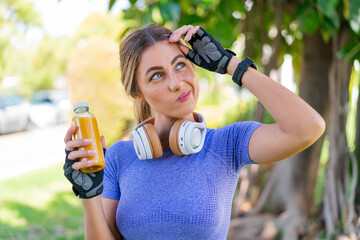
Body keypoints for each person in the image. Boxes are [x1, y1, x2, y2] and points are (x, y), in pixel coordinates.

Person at [63, 24, 325, 239]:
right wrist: (90, 195)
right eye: (157, 75)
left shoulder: (227, 144)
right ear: (137, 93)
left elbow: (308, 128)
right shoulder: (119, 157)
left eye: (180, 65)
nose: (177, 83)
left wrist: (230, 64)